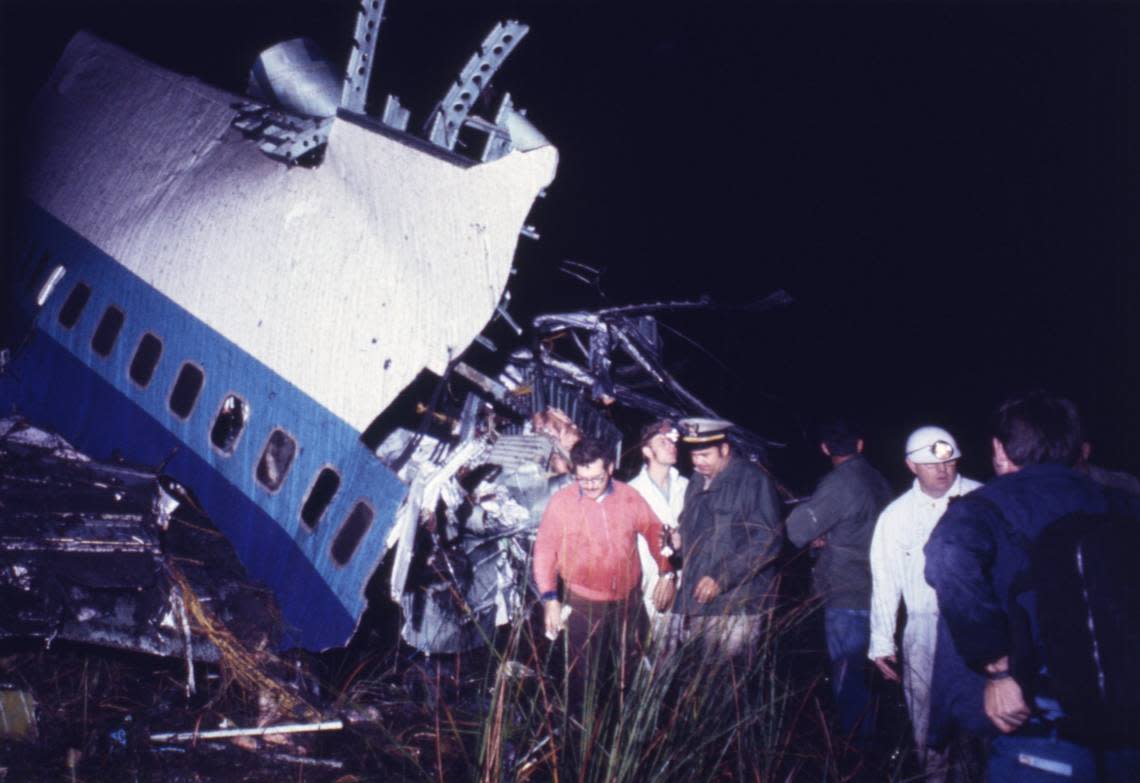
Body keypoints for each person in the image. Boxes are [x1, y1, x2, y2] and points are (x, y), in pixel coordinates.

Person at [924, 391, 1140, 781]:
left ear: (1001, 451)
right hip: (1124, 725)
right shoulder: (1122, 503)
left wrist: (997, 669)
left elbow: (946, 557)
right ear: (1077, 448)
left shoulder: (982, 509)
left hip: (1035, 730)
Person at [868, 425, 982, 780]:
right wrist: (881, 641)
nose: (942, 469)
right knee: (928, 721)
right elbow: (885, 581)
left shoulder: (984, 499)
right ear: (911, 465)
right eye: (930, 463)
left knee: (978, 723)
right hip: (925, 629)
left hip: (978, 627)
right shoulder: (896, 515)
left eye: (948, 462)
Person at [533, 437, 676, 694]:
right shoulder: (561, 503)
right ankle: (583, 732)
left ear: (610, 468)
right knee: (583, 681)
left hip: (629, 603)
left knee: (633, 673)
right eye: (582, 479)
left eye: (597, 478)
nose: (590, 486)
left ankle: (628, 728)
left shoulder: (629, 496)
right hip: (583, 606)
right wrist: (550, 600)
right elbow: (544, 551)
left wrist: (667, 572)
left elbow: (656, 531)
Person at [786, 418, 892, 743]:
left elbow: (796, 530)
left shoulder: (839, 483)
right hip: (879, 593)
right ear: (860, 444)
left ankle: (857, 754)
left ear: (824, 448)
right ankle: (875, 741)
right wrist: (828, 534)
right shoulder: (879, 480)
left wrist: (810, 521)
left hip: (848, 595)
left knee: (848, 680)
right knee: (870, 677)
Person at [674, 417, 783, 667]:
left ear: (725, 449)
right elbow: (694, 532)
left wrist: (721, 577)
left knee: (730, 686)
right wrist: (676, 541)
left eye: (705, 455)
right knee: (698, 683)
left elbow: (768, 540)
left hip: (736, 605)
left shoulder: (752, 480)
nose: (698, 462)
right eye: (694, 455)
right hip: (698, 603)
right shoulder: (696, 481)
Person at [628, 419, 688, 651]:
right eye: (662, 442)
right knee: (645, 654)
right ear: (646, 451)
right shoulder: (632, 491)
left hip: (683, 583)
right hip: (648, 587)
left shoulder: (687, 486)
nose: (671, 446)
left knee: (674, 654)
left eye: (672, 441)